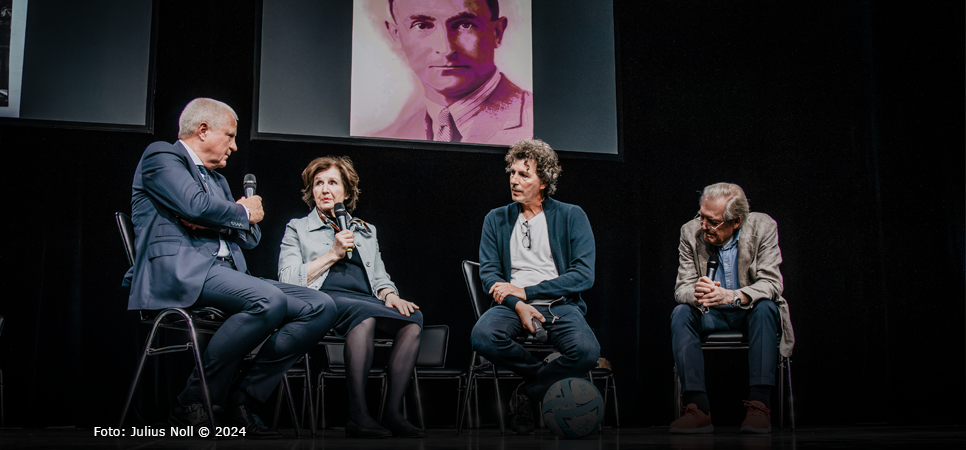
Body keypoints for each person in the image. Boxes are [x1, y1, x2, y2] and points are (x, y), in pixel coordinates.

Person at [124, 98, 338, 439]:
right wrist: (234, 213)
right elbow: (195, 205)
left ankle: (242, 396)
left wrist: (218, 217)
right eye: (231, 136)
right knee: (268, 300)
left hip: (229, 273)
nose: (235, 146)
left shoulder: (218, 181)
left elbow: (250, 235)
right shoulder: (162, 157)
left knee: (321, 306)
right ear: (203, 130)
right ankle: (194, 399)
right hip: (182, 270)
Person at [278, 156, 425, 439]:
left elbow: (380, 277)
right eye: (318, 183)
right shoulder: (297, 228)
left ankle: (392, 412)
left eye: (333, 183)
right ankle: (357, 414)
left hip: (363, 301)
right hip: (323, 300)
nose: (324, 189)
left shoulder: (366, 232)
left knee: (412, 319)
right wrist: (333, 253)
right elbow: (286, 278)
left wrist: (390, 295)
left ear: (346, 193)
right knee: (365, 317)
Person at [470, 139, 601, 434]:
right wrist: (518, 303)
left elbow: (583, 275)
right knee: (482, 336)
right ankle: (543, 379)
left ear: (544, 181)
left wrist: (527, 292)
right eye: (512, 173)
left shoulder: (571, 216)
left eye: (524, 175)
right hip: (511, 306)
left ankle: (528, 392)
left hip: (560, 304)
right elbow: (490, 275)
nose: (514, 181)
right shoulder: (496, 219)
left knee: (587, 351)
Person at [669, 182, 795, 434]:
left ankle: (759, 406)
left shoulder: (763, 227)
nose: (703, 226)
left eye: (711, 221)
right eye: (701, 216)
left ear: (736, 222)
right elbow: (681, 288)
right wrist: (697, 292)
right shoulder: (690, 232)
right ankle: (698, 409)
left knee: (767, 308)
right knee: (680, 313)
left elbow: (772, 284)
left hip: (748, 312)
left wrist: (732, 296)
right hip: (709, 314)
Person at [370, 0, 532, 144]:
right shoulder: (387, 137)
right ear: (396, 35)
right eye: (422, 25)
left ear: (497, 32)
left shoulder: (535, 124)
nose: (446, 49)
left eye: (465, 24)